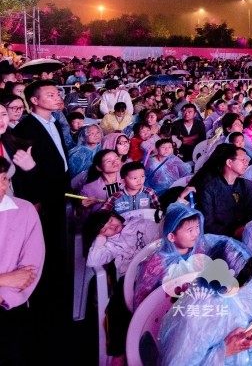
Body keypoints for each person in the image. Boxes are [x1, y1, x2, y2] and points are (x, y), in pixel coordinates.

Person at [158, 240, 252, 366]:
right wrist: (224, 351)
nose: (245, 286)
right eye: (241, 284)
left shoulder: (246, 276)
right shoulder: (194, 316)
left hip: (251, 359)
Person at [12, 80, 71, 328]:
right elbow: (23, 171)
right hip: (42, 197)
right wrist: (35, 200)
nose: (57, 98)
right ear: (34, 101)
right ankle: (43, 302)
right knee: (43, 245)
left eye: (57, 94)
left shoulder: (53, 121)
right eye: (50, 95)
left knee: (57, 242)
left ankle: (56, 292)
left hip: (58, 191)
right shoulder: (26, 128)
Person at [84, 209, 161, 358]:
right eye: (105, 229)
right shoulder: (110, 244)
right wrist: (100, 238)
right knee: (117, 308)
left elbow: (159, 241)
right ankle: (118, 353)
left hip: (155, 270)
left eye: (111, 221)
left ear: (115, 216)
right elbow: (93, 260)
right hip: (129, 278)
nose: (112, 227)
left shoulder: (141, 224)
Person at [0, 157, 44, 366]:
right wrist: (5, 279)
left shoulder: (24, 210)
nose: (2, 186)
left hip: (10, 302)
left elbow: (32, 263)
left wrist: (5, 295)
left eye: (4, 179)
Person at [194, 144, 252, 237]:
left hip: (247, 234)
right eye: (243, 160)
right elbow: (207, 225)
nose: (246, 163)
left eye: (247, 160)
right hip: (220, 238)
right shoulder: (209, 188)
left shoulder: (246, 185)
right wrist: (234, 232)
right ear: (229, 162)